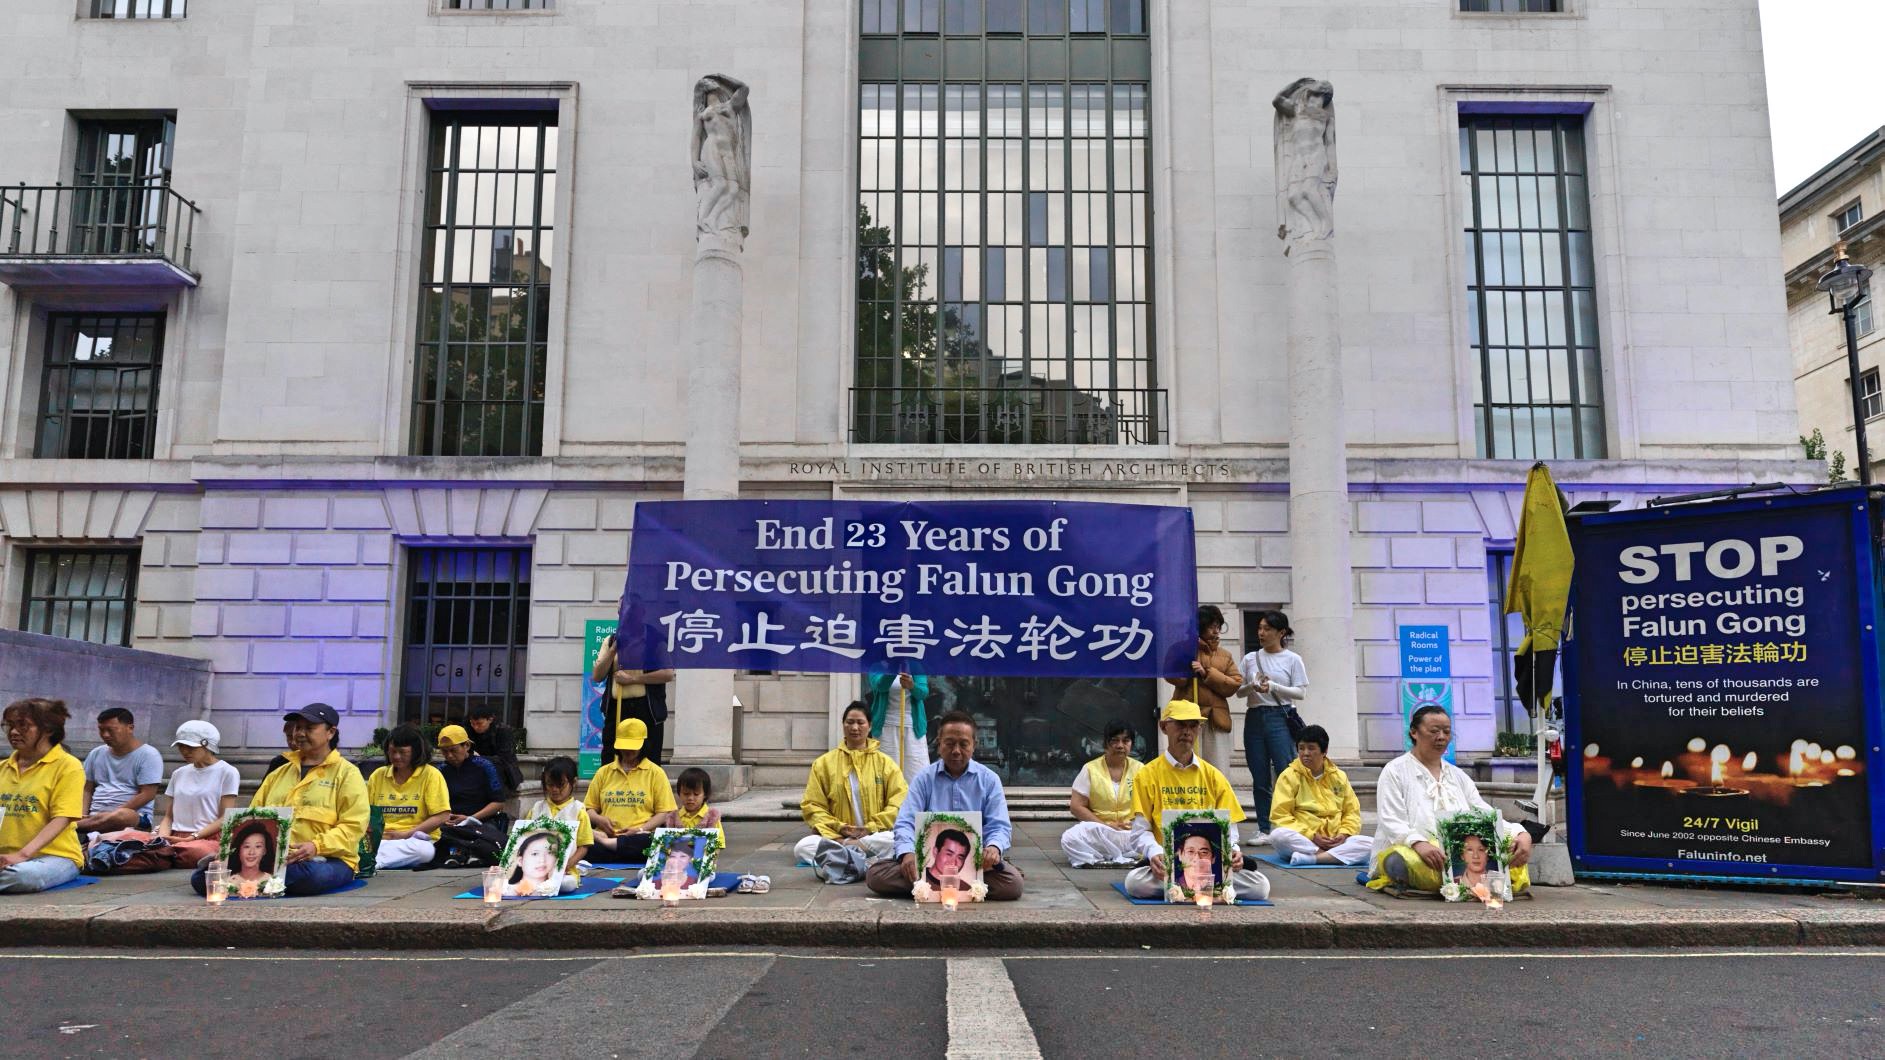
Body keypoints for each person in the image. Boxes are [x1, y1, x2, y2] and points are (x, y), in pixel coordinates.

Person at [192, 702, 369, 897]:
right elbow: (251, 817)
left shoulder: (347, 774)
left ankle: (255, 881)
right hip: (273, 860)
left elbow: (353, 827)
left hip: (327, 859)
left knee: (310, 876)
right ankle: (264, 881)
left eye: (309, 728)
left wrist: (316, 846)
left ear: (331, 732)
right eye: (298, 728)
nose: (300, 734)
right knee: (201, 877)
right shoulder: (279, 773)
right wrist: (229, 850)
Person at [1368, 706, 1533, 895]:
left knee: (1511, 849)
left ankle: (1461, 879)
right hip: (1418, 852)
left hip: (1460, 853)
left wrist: (1520, 833)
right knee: (1401, 860)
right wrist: (1419, 844)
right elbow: (1391, 820)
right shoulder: (1395, 771)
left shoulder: (1458, 775)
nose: (1441, 737)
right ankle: (1473, 880)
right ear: (1414, 732)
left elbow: (1483, 812)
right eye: (1434, 731)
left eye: (1446, 732)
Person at [867, 710, 1024, 901]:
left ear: (974, 745)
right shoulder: (924, 779)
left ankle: (928, 887)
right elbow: (905, 822)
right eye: (949, 743)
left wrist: (993, 848)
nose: (956, 750)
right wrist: (907, 853)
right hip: (926, 863)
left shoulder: (989, 780)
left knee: (1013, 884)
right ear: (939, 744)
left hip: (975, 864)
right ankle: (967, 888)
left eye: (963, 744)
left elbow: (999, 825)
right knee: (875, 875)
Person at [1123, 700, 1270, 901]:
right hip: (1167, 864)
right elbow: (1140, 831)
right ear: (1164, 727)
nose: (1187, 731)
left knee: (1260, 886)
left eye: (1193, 725)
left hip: (1209, 865)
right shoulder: (1147, 775)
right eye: (1180, 724)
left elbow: (1229, 829)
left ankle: (1187, 889)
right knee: (1135, 883)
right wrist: (1155, 853)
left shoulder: (1214, 776)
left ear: (1199, 730)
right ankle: (1205, 889)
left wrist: (1233, 851)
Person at [796, 701, 907, 867]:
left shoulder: (885, 763)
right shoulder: (823, 763)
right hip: (837, 836)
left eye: (860, 722)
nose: (855, 728)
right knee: (803, 847)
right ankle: (863, 857)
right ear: (843, 725)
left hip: (873, 836)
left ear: (869, 726)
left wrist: (870, 828)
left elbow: (899, 803)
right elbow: (812, 805)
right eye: (850, 722)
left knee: (893, 840)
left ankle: (848, 856)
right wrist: (839, 829)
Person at [0, 698, 85, 893]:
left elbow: (62, 818)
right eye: (10, 725)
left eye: (23, 726)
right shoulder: (2, 768)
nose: (13, 732)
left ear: (48, 730)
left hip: (54, 857)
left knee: (24, 876)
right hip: (6, 857)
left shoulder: (68, 766)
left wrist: (22, 855)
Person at [1238, 610, 1308, 846]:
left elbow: (1300, 692)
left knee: (1285, 773)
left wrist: (1274, 686)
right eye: (1260, 628)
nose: (1261, 633)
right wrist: (1252, 685)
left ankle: (1288, 825)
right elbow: (1238, 692)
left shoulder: (1292, 659)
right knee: (1259, 775)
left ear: (1281, 632)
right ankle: (1264, 828)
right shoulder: (1250, 658)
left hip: (1280, 716)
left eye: (1267, 629)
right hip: (1255, 717)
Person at [1268, 724, 1372, 867]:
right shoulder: (1289, 776)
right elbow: (1280, 816)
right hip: (1305, 840)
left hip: (1336, 840)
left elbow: (1352, 812)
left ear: (1324, 751)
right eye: (1301, 748)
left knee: (1372, 844)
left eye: (1311, 748)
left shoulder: (1339, 776)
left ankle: (1313, 858)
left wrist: (1344, 834)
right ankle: (1330, 856)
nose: (1305, 753)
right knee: (1278, 836)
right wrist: (1312, 836)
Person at [593, 599, 676, 765]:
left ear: (641, 613)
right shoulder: (611, 640)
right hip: (617, 708)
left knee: (647, 757)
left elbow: (667, 673)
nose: (626, 617)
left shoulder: (655, 639)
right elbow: (597, 675)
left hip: (646, 708)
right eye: (622, 612)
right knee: (611, 756)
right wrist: (614, 649)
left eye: (631, 613)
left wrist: (633, 680)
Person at [586, 718, 675, 865]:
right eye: (624, 746)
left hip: (638, 837)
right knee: (581, 840)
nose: (628, 751)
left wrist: (640, 829)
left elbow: (664, 813)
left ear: (644, 744)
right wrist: (599, 819)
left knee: (650, 842)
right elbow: (589, 809)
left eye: (633, 746)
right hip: (604, 835)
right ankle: (614, 846)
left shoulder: (656, 773)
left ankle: (612, 846)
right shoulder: (604, 772)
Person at [366, 725, 452, 870]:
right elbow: (365, 812)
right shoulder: (378, 775)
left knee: (425, 851)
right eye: (392, 751)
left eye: (402, 752)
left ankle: (372, 861)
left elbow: (442, 816)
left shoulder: (431, 775)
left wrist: (405, 834)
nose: (396, 756)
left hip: (414, 839)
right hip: (381, 840)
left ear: (416, 752)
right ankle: (376, 860)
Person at [1059, 720, 1143, 868]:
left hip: (1131, 833)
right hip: (1102, 832)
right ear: (1105, 744)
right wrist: (1105, 825)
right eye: (1114, 740)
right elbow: (1076, 806)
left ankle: (1116, 857)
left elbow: (1151, 804)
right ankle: (1103, 859)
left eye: (1125, 741)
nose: (1120, 745)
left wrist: (1137, 824)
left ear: (1131, 744)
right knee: (1070, 837)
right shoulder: (1090, 769)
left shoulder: (1141, 769)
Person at [1167, 605, 1240, 772]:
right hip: (1186, 717)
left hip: (1215, 718)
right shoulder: (1181, 650)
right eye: (1212, 626)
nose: (1216, 631)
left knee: (1217, 767)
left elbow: (1234, 684)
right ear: (1200, 626)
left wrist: (1207, 673)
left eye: (1218, 627)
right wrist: (1187, 671)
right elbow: (1170, 674)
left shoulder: (1225, 655)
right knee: (1184, 764)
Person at [77, 707, 164, 835]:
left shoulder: (149, 755)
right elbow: (87, 789)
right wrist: (82, 814)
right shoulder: (96, 753)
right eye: (101, 730)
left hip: (132, 817)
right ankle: (83, 824)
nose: (105, 735)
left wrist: (111, 815)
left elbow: (147, 794)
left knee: (122, 815)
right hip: (94, 815)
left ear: (130, 728)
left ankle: (76, 826)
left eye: (111, 730)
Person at [521, 756, 589, 894]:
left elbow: (584, 845)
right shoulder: (537, 808)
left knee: (567, 884)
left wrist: (568, 864)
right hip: (535, 868)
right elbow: (522, 838)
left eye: (560, 785)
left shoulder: (578, 811)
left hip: (564, 871)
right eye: (550, 784)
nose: (555, 790)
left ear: (573, 782)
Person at [434, 724, 508, 830]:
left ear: (467, 746)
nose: (449, 755)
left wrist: (470, 818)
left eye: (453, 750)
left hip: (481, 822)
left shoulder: (484, 766)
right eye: (445, 751)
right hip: (448, 823)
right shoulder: (440, 771)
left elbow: (498, 802)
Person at [866, 665, 929, 782]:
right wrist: (893, 668)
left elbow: (923, 693)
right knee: (887, 774)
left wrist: (912, 686)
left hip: (913, 729)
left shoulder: (915, 665)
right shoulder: (877, 666)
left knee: (917, 774)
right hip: (886, 728)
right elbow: (880, 686)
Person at [645, 767, 725, 844]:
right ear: (679, 793)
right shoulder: (673, 817)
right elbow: (667, 843)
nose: (690, 798)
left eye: (696, 794)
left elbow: (718, 843)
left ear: (705, 794)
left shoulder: (712, 817)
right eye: (686, 794)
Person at [467, 704, 524, 792]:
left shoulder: (503, 731)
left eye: (479, 723)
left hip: (505, 772)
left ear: (490, 720)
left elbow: (505, 759)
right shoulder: (469, 730)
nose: (475, 727)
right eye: (472, 723)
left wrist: (480, 758)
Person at [504, 831, 563, 897]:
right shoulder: (505, 890)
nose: (542, 860)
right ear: (520, 861)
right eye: (535, 854)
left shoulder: (560, 888)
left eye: (550, 853)